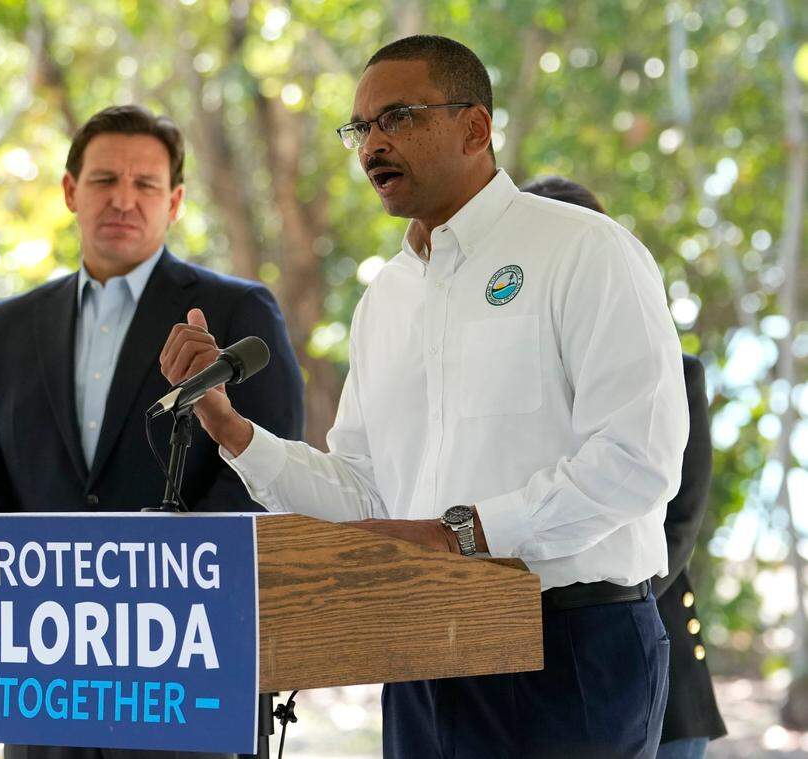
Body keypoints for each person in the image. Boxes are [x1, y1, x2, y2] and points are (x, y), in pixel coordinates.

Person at [159, 35, 689, 759]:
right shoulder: (387, 297)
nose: (373, 143)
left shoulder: (584, 251)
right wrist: (231, 430)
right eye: (361, 128)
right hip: (419, 640)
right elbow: (369, 495)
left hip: (568, 643)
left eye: (398, 117)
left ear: (476, 127)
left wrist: (461, 535)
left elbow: (637, 461)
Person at [0, 105, 304, 759]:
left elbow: (268, 465)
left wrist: (160, 577)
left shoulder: (236, 310)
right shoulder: (7, 325)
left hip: (186, 652)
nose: (124, 199)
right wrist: (37, 578)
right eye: (105, 179)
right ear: (68, 191)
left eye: (145, 184)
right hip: (45, 667)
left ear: (175, 202)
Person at [519, 176, 727, 759]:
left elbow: (679, 524)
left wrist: (595, 603)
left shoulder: (673, 371)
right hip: (530, 663)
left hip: (641, 641)